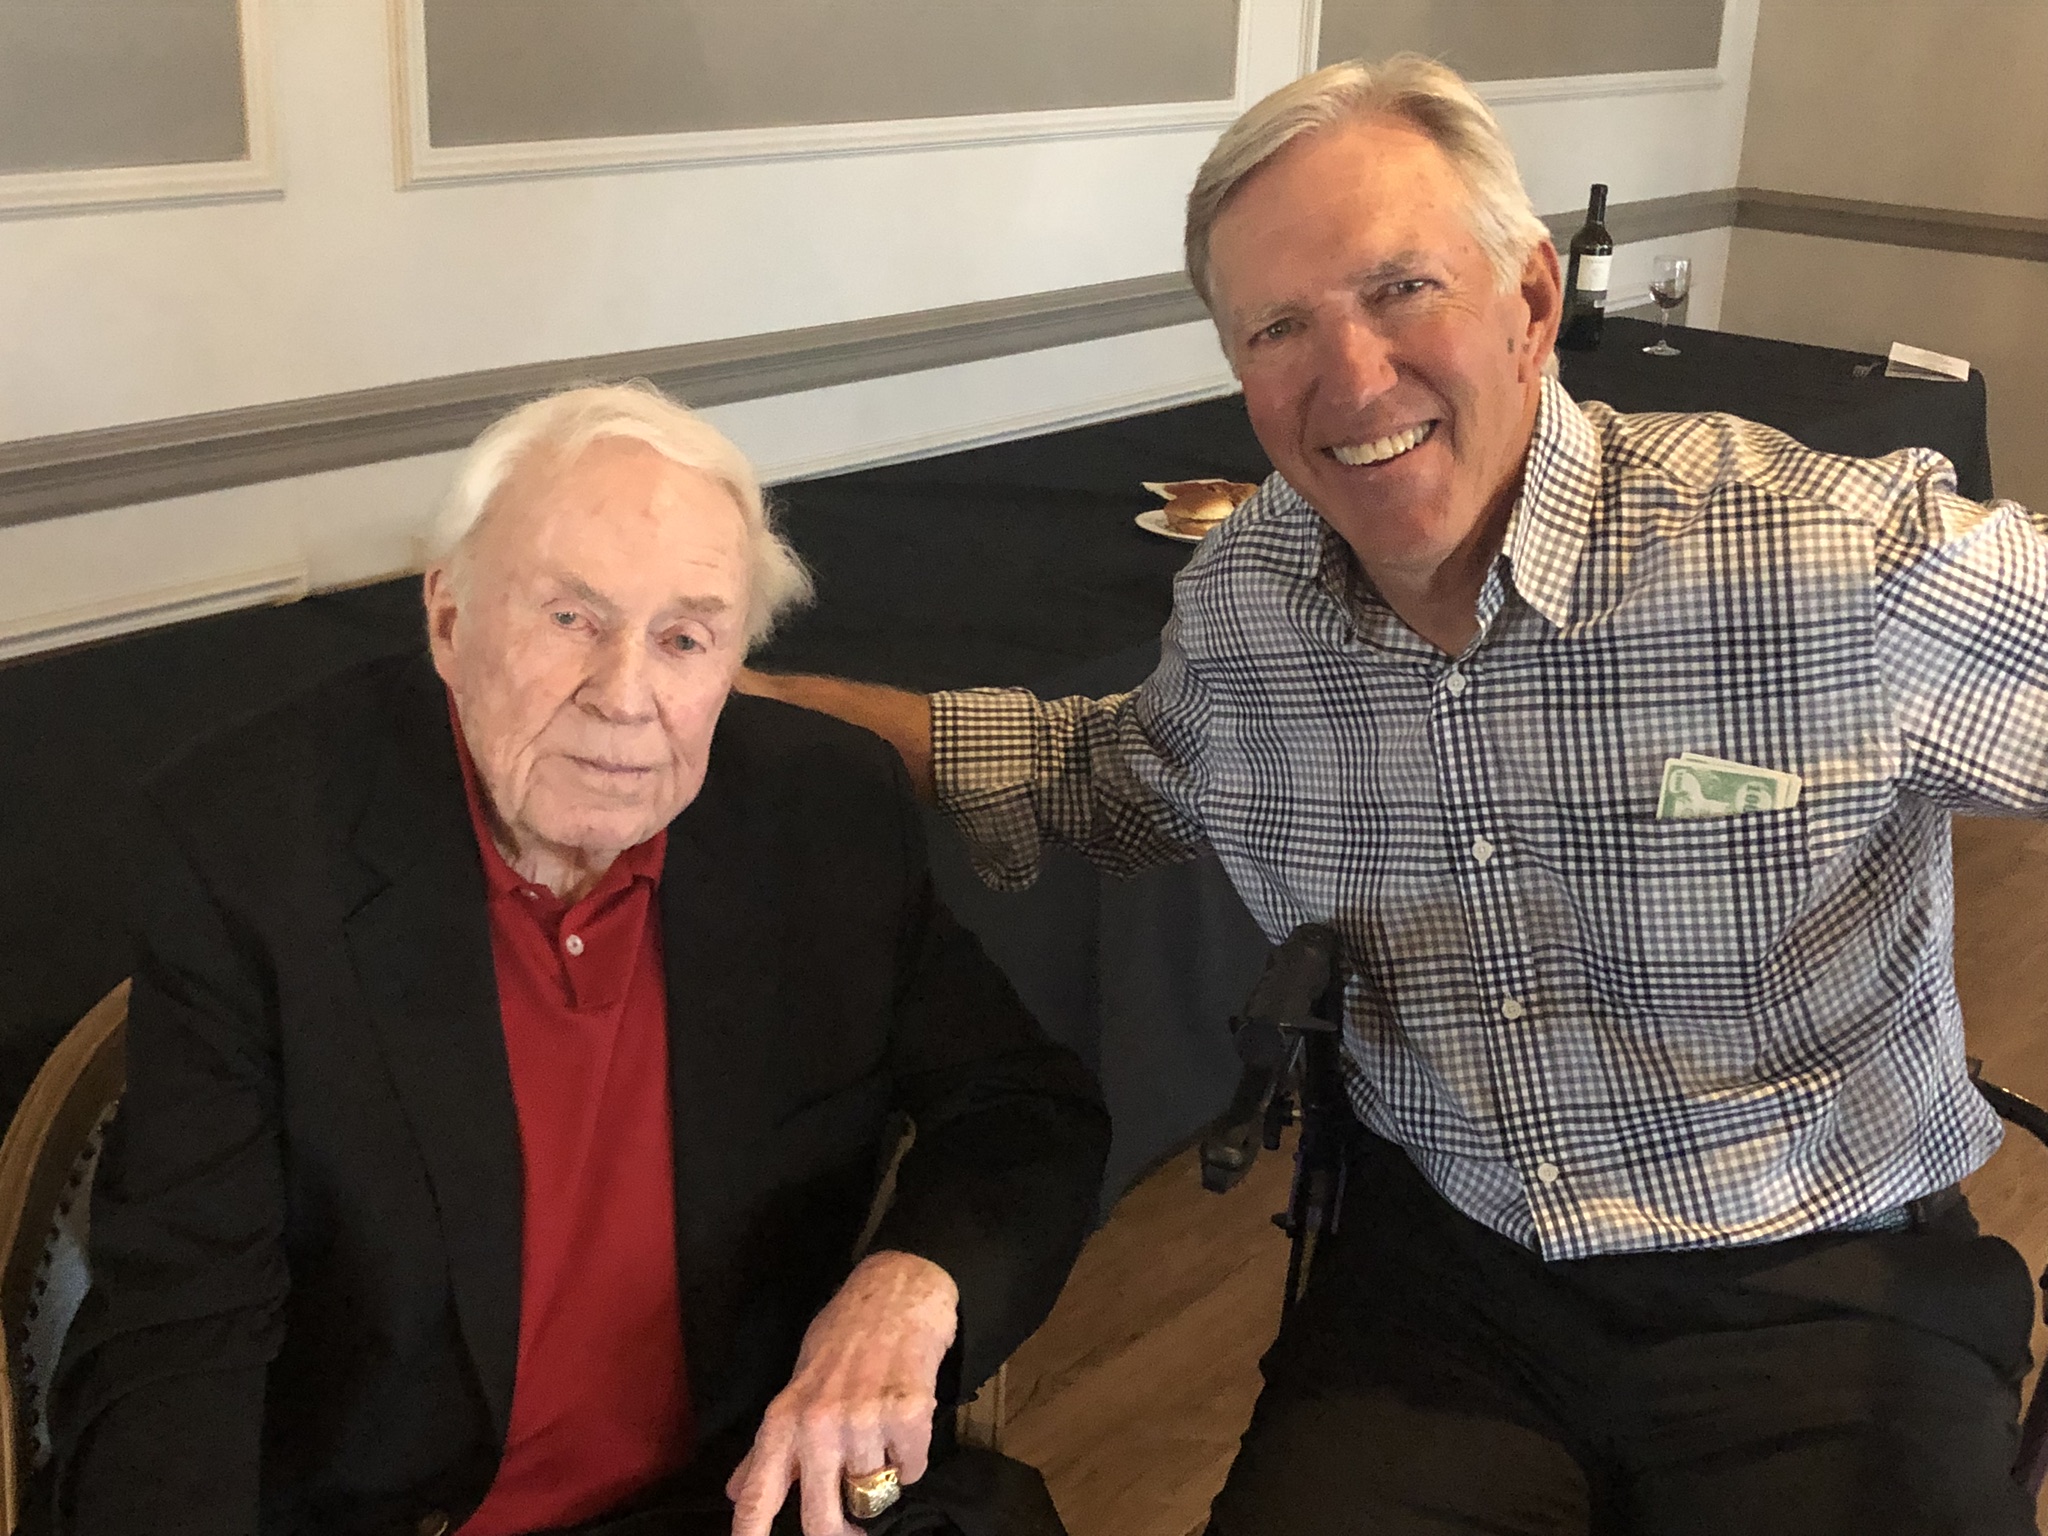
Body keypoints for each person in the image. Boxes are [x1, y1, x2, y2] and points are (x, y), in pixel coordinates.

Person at [743, 54, 2048, 1536]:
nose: (1352, 378)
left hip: (1819, 1280)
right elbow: (1110, 776)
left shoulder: (1821, 558)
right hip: (1449, 1279)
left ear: (1532, 301)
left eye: (1401, 289)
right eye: (1278, 327)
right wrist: (755, 700)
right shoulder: (1250, 602)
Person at [48, 384, 1109, 1536]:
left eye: (684, 639)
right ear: (448, 621)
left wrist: (910, 1287)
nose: (624, 697)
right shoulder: (256, 848)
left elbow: (1022, 1106)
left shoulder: (821, 816)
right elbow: (179, 1334)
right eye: (569, 619)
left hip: (725, 1499)